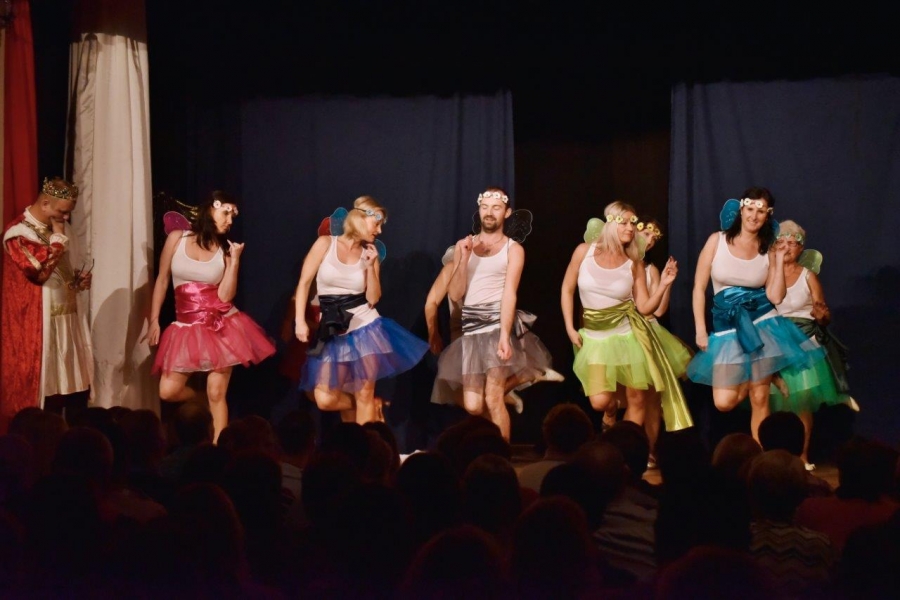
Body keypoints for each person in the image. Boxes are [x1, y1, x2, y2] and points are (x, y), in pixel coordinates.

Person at [687, 188, 822, 441]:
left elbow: (775, 297)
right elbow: (698, 288)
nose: (754, 216)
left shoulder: (768, 249)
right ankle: (764, 376)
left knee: (759, 398)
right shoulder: (717, 241)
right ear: (742, 210)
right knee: (724, 402)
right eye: (750, 209)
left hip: (762, 323)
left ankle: (762, 458)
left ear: (767, 215)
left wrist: (778, 261)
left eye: (760, 212)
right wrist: (700, 329)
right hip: (727, 327)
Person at [147, 191, 275, 442]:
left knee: (217, 392)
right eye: (226, 213)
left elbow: (225, 296)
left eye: (233, 216)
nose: (229, 221)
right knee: (168, 391)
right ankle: (199, 400)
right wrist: (154, 319)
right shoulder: (177, 238)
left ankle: (219, 448)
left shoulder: (225, 249)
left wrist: (235, 262)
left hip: (220, 324)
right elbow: (162, 279)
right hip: (186, 326)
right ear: (210, 209)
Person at [560, 201, 693, 436]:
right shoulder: (584, 251)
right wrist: (570, 328)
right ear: (610, 223)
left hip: (628, 335)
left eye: (633, 223)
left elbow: (645, 307)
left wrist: (664, 284)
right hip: (595, 338)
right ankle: (611, 411)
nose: (630, 228)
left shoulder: (634, 263)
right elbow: (567, 289)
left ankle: (623, 447)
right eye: (624, 222)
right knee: (600, 402)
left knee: (637, 398)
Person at [294, 196, 428, 425]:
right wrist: (300, 320)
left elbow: (373, 298)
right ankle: (371, 406)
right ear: (360, 219)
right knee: (324, 399)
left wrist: (370, 266)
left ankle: (367, 440)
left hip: (365, 327)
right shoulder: (325, 244)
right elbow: (304, 283)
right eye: (377, 224)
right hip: (333, 328)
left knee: (364, 393)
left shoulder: (370, 253)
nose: (380, 231)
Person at [433, 188, 553, 440]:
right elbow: (455, 294)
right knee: (473, 405)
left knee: (493, 397)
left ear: (506, 213)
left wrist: (504, 336)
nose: (489, 212)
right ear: (479, 210)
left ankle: (502, 455)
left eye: (496, 207)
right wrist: (463, 258)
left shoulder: (513, 249)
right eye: (485, 207)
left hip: (496, 324)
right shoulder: (465, 246)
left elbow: (510, 294)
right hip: (471, 328)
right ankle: (525, 374)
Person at [1, 177, 93, 430]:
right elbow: (38, 273)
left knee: (71, 386)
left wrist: (78, 280)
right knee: (48, 386)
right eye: (62, 211)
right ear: (44, 203)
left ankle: (70, 435)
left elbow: (66, 269)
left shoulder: (61, 228)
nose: (66, 216)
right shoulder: (19, 233)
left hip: (67, 319)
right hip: (40, 325)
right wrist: (57, 242)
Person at [426, 245, 561, 414]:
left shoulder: (487, 269)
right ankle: (512, 391)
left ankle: (521, 379)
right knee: (467, 399)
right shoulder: (451, 268)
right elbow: (431, 302)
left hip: (486, 333)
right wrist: (433, 332)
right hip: (461, 336)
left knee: (481, 399)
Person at [601, 218, 694, 463]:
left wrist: (666, 283)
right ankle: (610, 416)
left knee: (651, 399)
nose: (650, 241)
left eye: (654, 239)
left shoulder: (650, 269)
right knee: (608, 393)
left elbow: (659, 310)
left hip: (649, 333)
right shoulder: (616, 262)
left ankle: (646, 452)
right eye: (646, 234)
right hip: (619, 332)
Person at [768, 220, 850, 467]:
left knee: (801, 402)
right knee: (773, 404)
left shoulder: (808, 276)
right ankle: (775, 457)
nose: (786, 247)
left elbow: (823, 314)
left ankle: (802, 457)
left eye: (792, 243)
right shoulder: (768, 274)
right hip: (775, 342)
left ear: (801, 248)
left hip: (804, 343)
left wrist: (822, 316)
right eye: (781, 242)